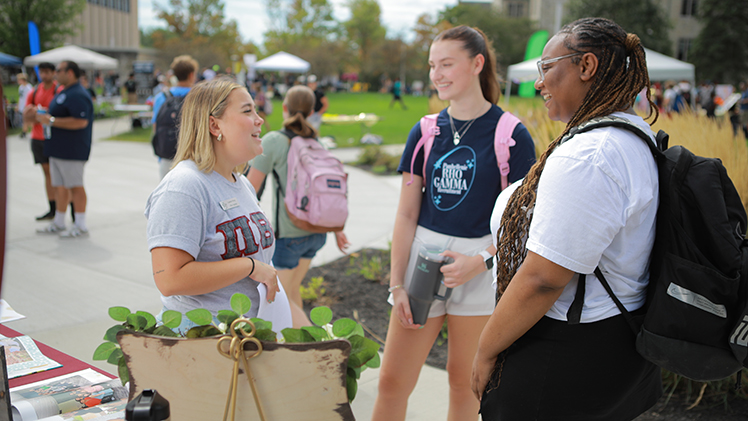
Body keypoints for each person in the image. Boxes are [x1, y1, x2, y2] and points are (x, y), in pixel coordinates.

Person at [472, 18, 662, 420]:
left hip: (565, 354)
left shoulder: (590, 156)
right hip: (610, 343)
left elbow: (543, 279)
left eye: (546, 68)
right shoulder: (629, 135)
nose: (539, 83)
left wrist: (485, 351)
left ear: (586, 66)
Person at [371, 26, 536, 421]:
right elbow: (407, 213)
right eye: (432, 65)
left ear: (477, 64)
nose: (436, 74)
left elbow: (522, 225)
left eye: (446, 64)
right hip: (423, 265)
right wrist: (398, 285)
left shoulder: (511, 135)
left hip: (480, 269)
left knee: (466, 385)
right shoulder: (425, 132)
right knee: (392, 382)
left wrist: (480, 260)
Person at [145, 77, 292, 334]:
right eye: (247, 111)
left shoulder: (242, 183)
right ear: (214, 125)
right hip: (200, 341)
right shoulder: (184, 186)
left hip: (243, 338)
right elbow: (169, 279)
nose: (259, 120)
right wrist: (250, 266)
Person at [248, 85, 350, 327]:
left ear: (284, 108)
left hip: (289, 236)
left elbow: (249, 190)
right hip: (317, 233)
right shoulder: (317, 141)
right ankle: (296, 348)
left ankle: (315, 347)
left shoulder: (274, 140)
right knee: (293, 292)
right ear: (313, 110)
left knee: (281, 297)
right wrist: (337, 230)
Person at [35, 61, 94, 238]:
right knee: (60, 186)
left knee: (75, 187)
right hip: (58, 149)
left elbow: (81, 121)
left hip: (72, 151)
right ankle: (59, 221)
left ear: (70, 73)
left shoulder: (78, 94)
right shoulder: (64, 92)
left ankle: (80, 225)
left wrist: (51, 121)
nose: (55, 74)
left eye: (58, 71)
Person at [22, 62, 60, 221]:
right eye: (41, 72)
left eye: (47, 72)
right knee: (47, 174)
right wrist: (38, 116)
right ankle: (52, 208)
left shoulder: (59, 90)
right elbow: (26, 116)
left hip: (54, 138)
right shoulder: (34, 91)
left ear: (53, 73)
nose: (44, 75)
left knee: (59, 175)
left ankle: (64, 208)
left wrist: (44, 116)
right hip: (38, 137)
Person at [151, 55, 198, 179]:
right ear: (191, 75)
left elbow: (155, 125)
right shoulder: (198, 97)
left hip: (167, 156)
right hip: (193, 157)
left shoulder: (162, 96)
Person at [16, 74, 34, 138]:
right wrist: (18, 105)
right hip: (21, 106)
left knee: (26, 120)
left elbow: (31, 98)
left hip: (26, 106)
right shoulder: (20, 87)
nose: (18, 81)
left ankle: (25, 131)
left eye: (19, 80)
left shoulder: (29, 88)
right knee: (25, 120)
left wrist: (28, 106)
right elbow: (20, 97)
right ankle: (25, 131)